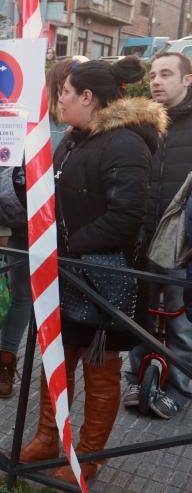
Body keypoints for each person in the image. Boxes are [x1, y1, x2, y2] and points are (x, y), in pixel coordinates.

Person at [20, 56, 163, 483]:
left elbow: (127, 216)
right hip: (65, 272)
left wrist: (68, 250)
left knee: (100, 370)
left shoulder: (125, 143)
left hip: (104, 278)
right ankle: (48, 438)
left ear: (87, 97)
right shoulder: (74, 137)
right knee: (56, 360)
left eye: (65, 93)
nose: (59, 99)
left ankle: (89, 455)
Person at [0, 55, 88, 399]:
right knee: (21, 298)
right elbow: (7, 178)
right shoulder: (33, 124)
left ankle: (52, 378)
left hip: (70, 234)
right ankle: (6, 360)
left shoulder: (90, 130)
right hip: (26, 228)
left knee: (60, 305)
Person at [125, 52, 192, 419]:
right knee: (142, 315)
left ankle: (179, 388)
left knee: (181, 320)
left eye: (166, 74)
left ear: (187, 80)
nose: (156, 81)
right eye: (153, 74)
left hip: (182, 241)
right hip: (142, 236)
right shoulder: (143, 123)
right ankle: (136, 375)